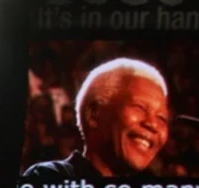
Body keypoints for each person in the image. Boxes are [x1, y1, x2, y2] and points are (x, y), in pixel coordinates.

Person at [23, 57, 169, 179]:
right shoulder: (50, 179)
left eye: (162, 118)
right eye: (139, 107)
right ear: (94, 113)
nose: (153, 124)